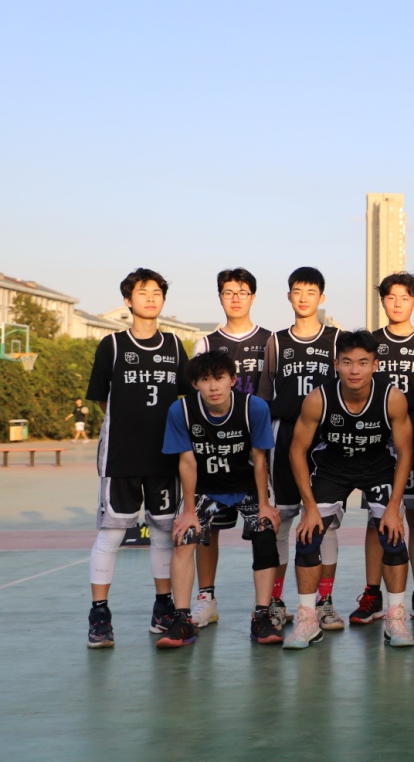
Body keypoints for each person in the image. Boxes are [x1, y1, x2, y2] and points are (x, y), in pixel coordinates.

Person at [283, 330, 413, 649]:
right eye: (348, 362)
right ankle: (307, 619)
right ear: (336, 364)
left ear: (375, 365)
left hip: (378, 468)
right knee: (307, 537)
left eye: (363, 363)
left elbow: (406, 452)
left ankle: (395, 617)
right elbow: (297, 450)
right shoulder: (319, 399)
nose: (355, 370)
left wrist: (394, 507)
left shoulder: (392, 398)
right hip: (333, 469)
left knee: (393, 536)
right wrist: (309, 507)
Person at [85, 268, 189, 649]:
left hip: (164, 456)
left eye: (156, 292)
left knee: (162, 533)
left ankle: (163, 608)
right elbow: (104, 400)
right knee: (111, 534)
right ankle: (99, 615)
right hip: (121, 457)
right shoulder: (112, 345)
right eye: (142, 292)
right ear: (128, 301)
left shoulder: (175, 345)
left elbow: (184, 397)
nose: (150, 298)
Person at [158, 351, 278, 648]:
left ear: (233, 380)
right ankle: (182, 619)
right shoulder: (182, 410)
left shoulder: (254, 407)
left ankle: (262, 615)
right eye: (205, 380)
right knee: (184, 536)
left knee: (265, 531)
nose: (213, 386)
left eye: (219, 378)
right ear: (195, 384)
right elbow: (187, 462)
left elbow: (260, 460)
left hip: (247, 486)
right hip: (206, 488)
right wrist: (189, 511)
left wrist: (264, 505)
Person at [352, 272, 414, 629]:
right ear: (382, 301)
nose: (397, 304)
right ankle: (372, 593)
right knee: (377, 518)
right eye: (390, 297)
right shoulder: (370, 342)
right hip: (377, 441)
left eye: (404, 298)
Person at [256, 267, 343, 630]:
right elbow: (263, 398)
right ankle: (276, 602)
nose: (304, 297)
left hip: (325, 438)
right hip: (284, 435)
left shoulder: (336, 340)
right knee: (281, 522)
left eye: (311, 291)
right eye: (297, 291)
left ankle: (324, 602)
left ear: (321, 297)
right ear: (289, 296)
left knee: (326, 525)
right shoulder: (276, 342)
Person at [188, 267, 272, 629]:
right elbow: (195, 400)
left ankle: (267, 604)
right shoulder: (206, 343)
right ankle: (206, 598)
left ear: (253, 296)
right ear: (220, 297)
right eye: (228, 292)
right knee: (208, 528)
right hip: (216, 450)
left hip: (257, 447)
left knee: (264, 524)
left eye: (242, 292)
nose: (235, 298)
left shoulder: (270, 341)